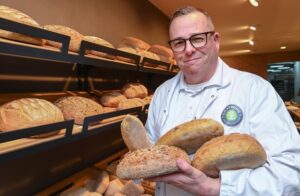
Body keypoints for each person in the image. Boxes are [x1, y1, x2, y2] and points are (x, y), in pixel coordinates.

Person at [145, 6, 300, 196]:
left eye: (198, 39)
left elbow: (291, 172)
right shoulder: (162, 94)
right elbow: (151, 153)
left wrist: (216, 188)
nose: (188, 49)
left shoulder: (254, 89)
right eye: (178, 42)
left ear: (216, 40)